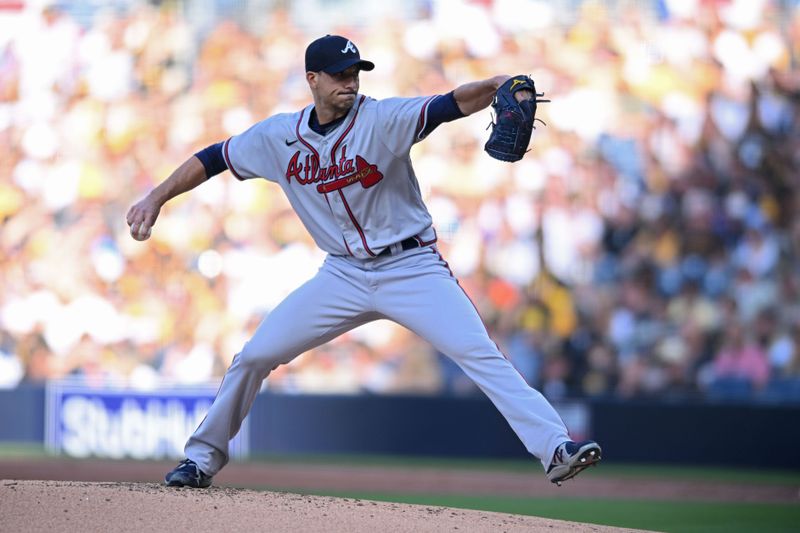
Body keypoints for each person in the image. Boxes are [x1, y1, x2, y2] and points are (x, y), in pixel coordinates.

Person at [126, 34, 601, 488]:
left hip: (411, 268)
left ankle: (555, 449)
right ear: (312, 79)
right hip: (342, 275)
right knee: (254, 355)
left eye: (355, 72)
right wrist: (157, 197)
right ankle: (201, 459)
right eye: (338, 74)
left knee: (480, 354)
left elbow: (449, 104)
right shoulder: (279, 137)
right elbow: (214, 157)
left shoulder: (381, 119)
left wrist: (497, 84)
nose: (350, 81)